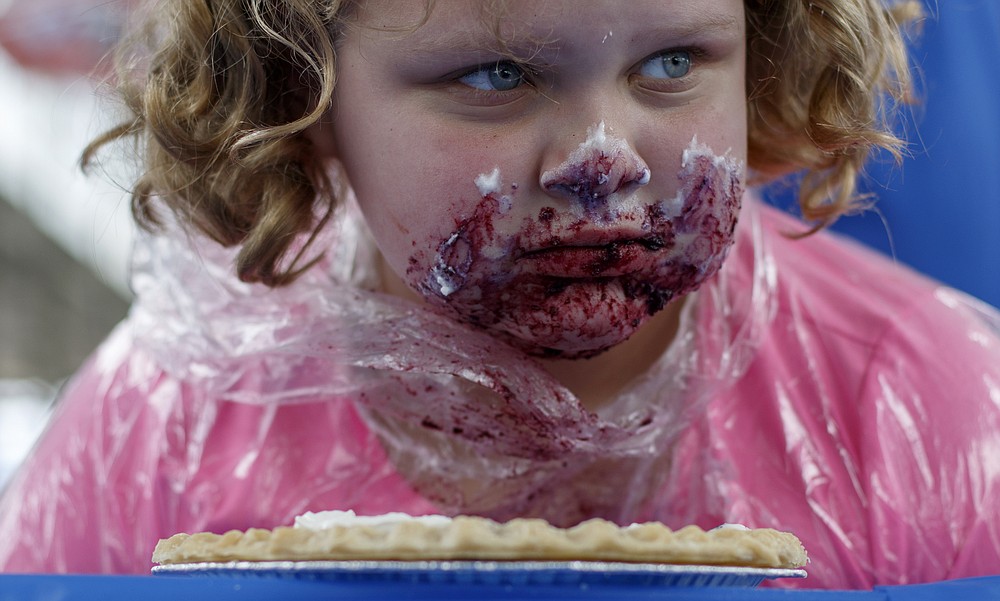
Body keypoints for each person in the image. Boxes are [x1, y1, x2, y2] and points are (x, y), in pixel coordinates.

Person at [1, 0, 998, 589]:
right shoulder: (167, 425)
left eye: (668, 63)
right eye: (493, 76)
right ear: (297, 99)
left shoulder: (917, 408)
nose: (600, 157)